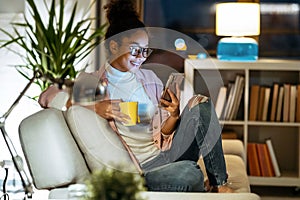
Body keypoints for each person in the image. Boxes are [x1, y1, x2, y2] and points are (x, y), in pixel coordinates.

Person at [38, 0, 233, 193]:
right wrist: (97, 107)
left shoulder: (149, 78)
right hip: (144, 169)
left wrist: (173, 115)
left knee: (201, 103)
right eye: (134, 49)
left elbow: (162, 136)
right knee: (190, 174)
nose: (141, 57)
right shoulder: (92, 82)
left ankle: (219, 184)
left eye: (145, 50)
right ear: (114, 46)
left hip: (167, 155)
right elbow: (47, 97)